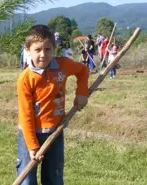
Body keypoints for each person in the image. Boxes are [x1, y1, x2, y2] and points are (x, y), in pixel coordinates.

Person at [16, 24, 89, 185]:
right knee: (26, 180)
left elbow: (82, 70)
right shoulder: (25, 79)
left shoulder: (62, 66)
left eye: (48, 49)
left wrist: (82, 93)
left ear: (54, 49)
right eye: (38, 50)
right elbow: (26, 114)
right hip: (30, 134)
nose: (43, 55)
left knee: (54, 178)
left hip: (55, 132)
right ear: (27, 49)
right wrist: (32, 146)